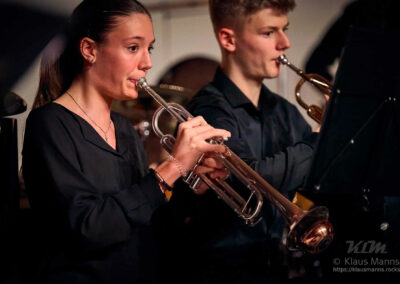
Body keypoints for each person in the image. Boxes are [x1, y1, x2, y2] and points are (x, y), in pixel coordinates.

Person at [21, 0, 231, 283]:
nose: (148, 63)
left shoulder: (124, 129)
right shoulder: (50, 123)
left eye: (149, 48)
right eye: (133, 48)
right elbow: (88, 228)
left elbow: (147, 226)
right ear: (89, 50)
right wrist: (172, 167)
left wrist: (190, 186)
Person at [158, 0, 321, 283]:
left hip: (278, 264)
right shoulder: (209, 110)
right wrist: (321, 141)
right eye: (269, 32)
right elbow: (250, 178)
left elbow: (317, 181)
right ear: (228, 39)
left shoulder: (285, 111)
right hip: (225, 270)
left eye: (284, 29)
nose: (285, 42)